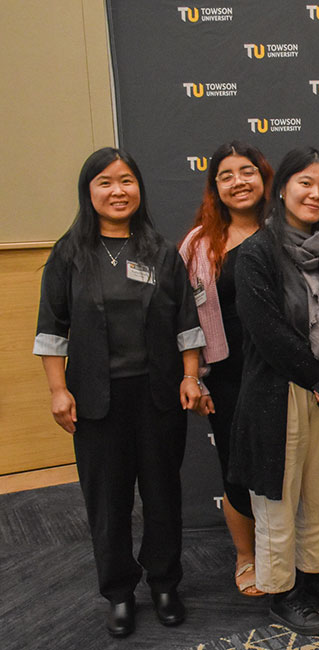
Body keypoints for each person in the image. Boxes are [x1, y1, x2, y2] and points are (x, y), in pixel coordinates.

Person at [34, 147, 204, 637]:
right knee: (106, 501)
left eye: (126, 181)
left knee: (162, 494)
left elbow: (186, 324)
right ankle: (119, 592)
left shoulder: (161, 251)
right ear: (89, 192)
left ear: (139, 189)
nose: (117, 191)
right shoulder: (69, 253)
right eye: (105, 182)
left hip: (158, 397)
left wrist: (190, 376)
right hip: (94, 401)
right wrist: (57, 390)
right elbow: (51, 330)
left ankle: (165, 583)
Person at [228, 147, 319, 636]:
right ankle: (282, 592)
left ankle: (314, 577)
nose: (316, 194)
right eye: (306, 183)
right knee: (279, 503)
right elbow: (269, 335)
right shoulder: (255, 254)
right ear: (281, 188)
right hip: (277, 396)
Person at [178, 141, 273, 597]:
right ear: (214, 187)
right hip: (229, 375)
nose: (239, 181)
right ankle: (246, 556)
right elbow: (184, 319)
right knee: (236, 469)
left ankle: (284, 554)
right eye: (227, 175)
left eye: (247, 171)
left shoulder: (286, 232)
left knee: (286, 466)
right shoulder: (198, 244)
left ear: (264, 177)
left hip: (283, 372)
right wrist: (193, 375)